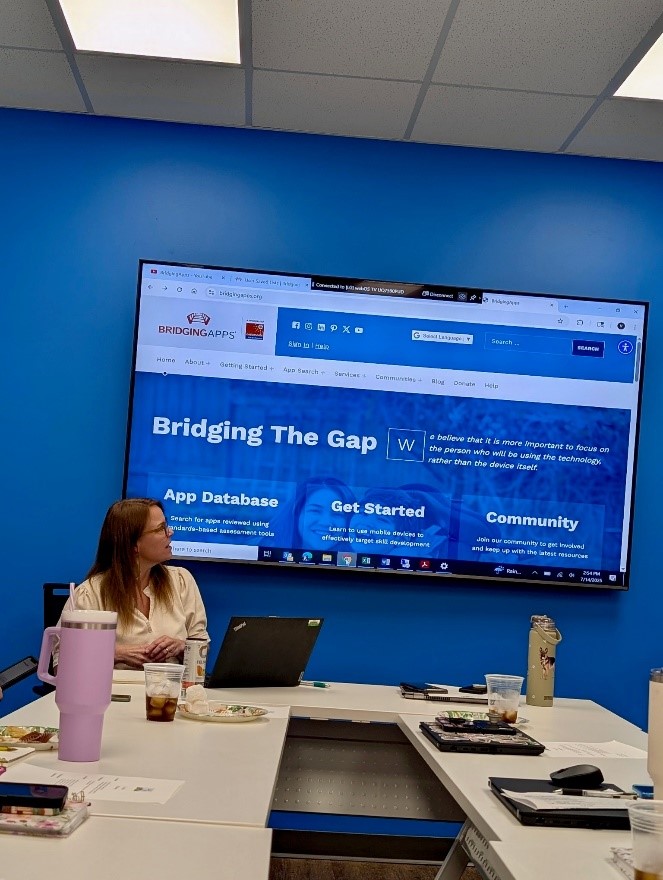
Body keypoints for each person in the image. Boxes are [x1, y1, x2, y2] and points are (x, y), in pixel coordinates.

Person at [56, 498, 208, 669]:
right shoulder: (90, 593)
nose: (170, 532)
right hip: (112, 694)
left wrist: (182, 647)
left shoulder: (182, 581)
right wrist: (115, 654)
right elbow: (60, 663)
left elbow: (202, 649)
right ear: (133, 544)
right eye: (161, 529)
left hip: (170, 692)